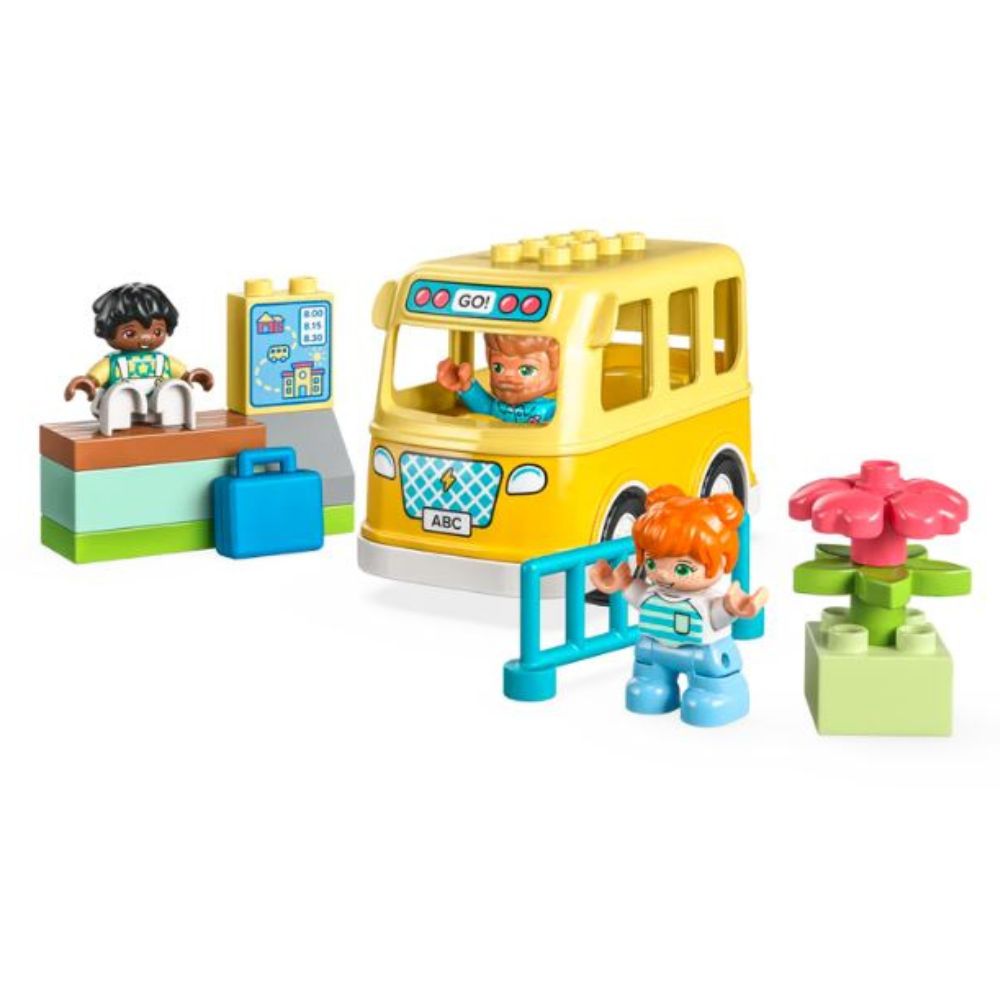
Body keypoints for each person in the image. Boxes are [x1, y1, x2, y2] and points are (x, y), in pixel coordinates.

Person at [590, 485, 768, 726]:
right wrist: (621, 583)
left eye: (682, 569)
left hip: (702, 653)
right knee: (646, 687)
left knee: (707, 692)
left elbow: (718, 616)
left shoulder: (706, 602)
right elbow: (637, 594)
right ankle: (653, 685)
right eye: (652, 563)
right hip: (654, 650)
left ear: (722, 560)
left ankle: (719, 695)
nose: (664, 574)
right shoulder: (653, 593)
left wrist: (732, 608)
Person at [64, 283, 214, 434]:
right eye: (130, 333)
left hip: (157, 408)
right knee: (120, 393)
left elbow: (183, 374)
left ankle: (172, 418)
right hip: (123, 405)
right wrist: (89, 383)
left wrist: (191, 376)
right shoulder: (113, 363)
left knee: (172, 388)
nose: (146, 338)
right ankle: (117, 423)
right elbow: (96, 377)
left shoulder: (163, 361)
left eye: (157, 331)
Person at [435, 333, 558, 424]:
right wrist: (465, 385)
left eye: (526, 370)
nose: (508, 376)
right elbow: (484, 406)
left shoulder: (551, 408)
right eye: (498, 368)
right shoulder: (497, 406)